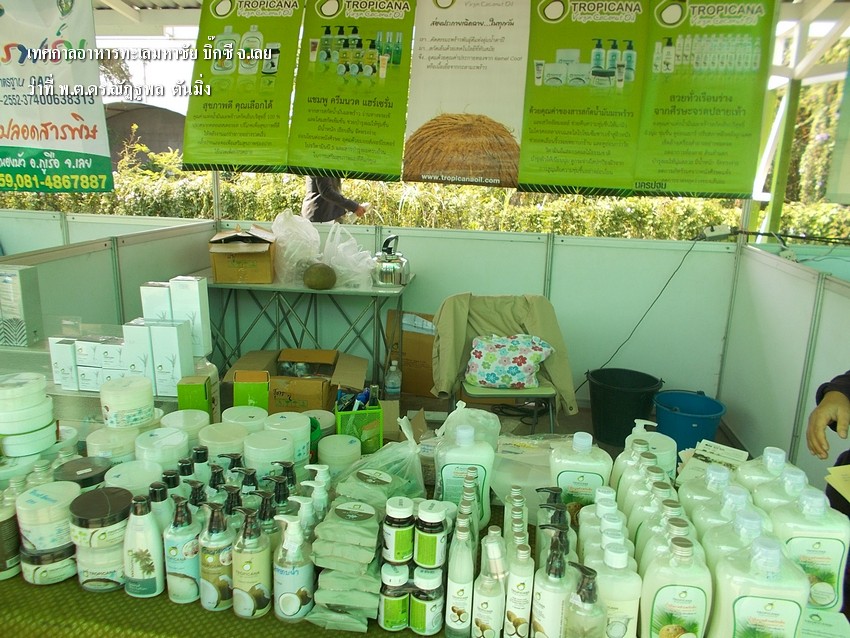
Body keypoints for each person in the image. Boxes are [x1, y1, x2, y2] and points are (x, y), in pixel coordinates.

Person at [300, 175, 367, 223]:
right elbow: (326, 192)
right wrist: (354, 207)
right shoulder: (322, 162)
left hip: (328, 216)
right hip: (318, 216)